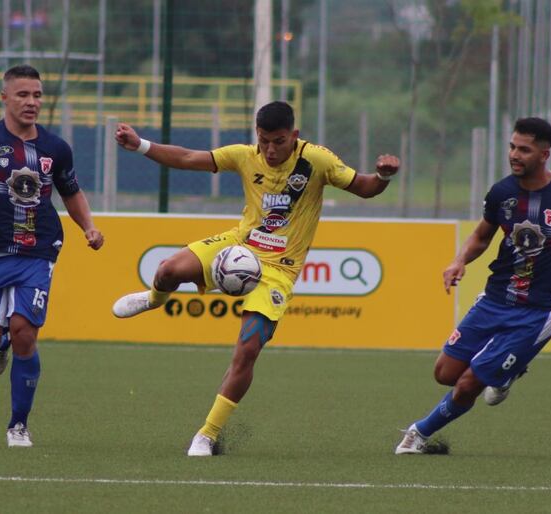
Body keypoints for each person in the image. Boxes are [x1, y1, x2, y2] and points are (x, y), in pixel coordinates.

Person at [112, 101, 399, 456]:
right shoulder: (245, 156)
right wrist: (141, 145)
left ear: (294, 135)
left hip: (279, 269)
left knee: (247, 349)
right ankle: (152, 300)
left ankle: (207, 434)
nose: (270, 149)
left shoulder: (318, 161)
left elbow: (365, 187)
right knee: (168, 270)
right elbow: (188, 158)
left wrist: (384, 176)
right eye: (264, 141)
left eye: (278, 141)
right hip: (239, 245)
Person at [395, 117, 551, 455]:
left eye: (524, 149)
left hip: (539, 312)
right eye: (512, 146)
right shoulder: (502, 192)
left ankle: (417, 434)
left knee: (469, 383)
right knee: (445, 372)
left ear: (544, 154)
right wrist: (459, 261)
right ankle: (505, 372)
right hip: (495, 299)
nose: (514, 154)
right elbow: (482, 236)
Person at [0, 64, 104, 448]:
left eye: (38, 95)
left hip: (39, 250)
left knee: (24, 331)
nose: (32, 102)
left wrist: (89, 227)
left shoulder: (55, 148)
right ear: (5, 97)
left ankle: (18, 425)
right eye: (23, 95)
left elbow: (71, 192)